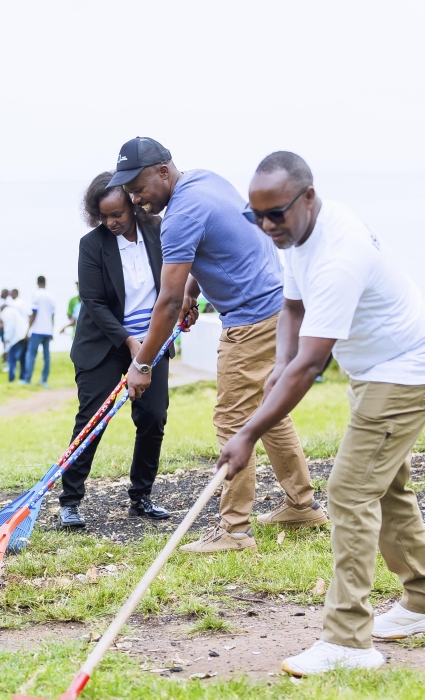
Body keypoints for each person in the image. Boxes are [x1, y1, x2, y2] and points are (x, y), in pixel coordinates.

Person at [218, 152, 425, 675]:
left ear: (307, 198)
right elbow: (293, 308)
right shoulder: (296, 231)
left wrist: (249, 432)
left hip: (409, 368)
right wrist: (276, 367)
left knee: (350, 492)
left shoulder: (339, 253)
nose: (265, 227)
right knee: (384, 485)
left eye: (275, 215)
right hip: (378, 368)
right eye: (254, 216)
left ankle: (348, 642)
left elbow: (310, 365)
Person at [116, 137, 325, 554]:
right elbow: (216, 252)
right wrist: (196, 291)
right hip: (278, 307)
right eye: (128, 190)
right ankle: (302, 505)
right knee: (268, 412)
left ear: (162, 171)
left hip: (249, 321)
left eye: (138, 186)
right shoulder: (205, 181)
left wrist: (142, 363)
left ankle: (234, 531)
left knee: (232, 420)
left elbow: (167, 301)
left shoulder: (179, 217)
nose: (134, 198)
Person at [59, 172, 180, 527]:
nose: (111, 222)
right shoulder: (92, 244)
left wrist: (147, 347)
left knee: (153, 418)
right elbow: (93, 302)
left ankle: (141, 497)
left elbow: (180, 275)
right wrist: (129, 343)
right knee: (93, 420)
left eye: (118, 214)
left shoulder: (160, 231)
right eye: (104, 216)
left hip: (152, 344)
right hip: (105, 346)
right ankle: (70, 501)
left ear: (133, 205)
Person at [23, 276, 56, 387]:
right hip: (47, 330)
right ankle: (44, 380)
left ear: (37, 283)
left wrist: (27, 330)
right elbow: (52, 316)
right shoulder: (51, 296)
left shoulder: (36, 295)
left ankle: (27, 379)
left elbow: (34, 313)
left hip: (37, 330)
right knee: (46, 356)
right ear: (45, 283)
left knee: (31, 354)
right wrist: (52, 331)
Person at [1, 295, 29, 382]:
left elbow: (9, 327)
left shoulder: (5, 312)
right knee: (23, 359)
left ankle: (11, 379)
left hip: (17, 338)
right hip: (25, 335)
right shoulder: (14, 310)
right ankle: (23, 377)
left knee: (12, 358)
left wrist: (6, 339)